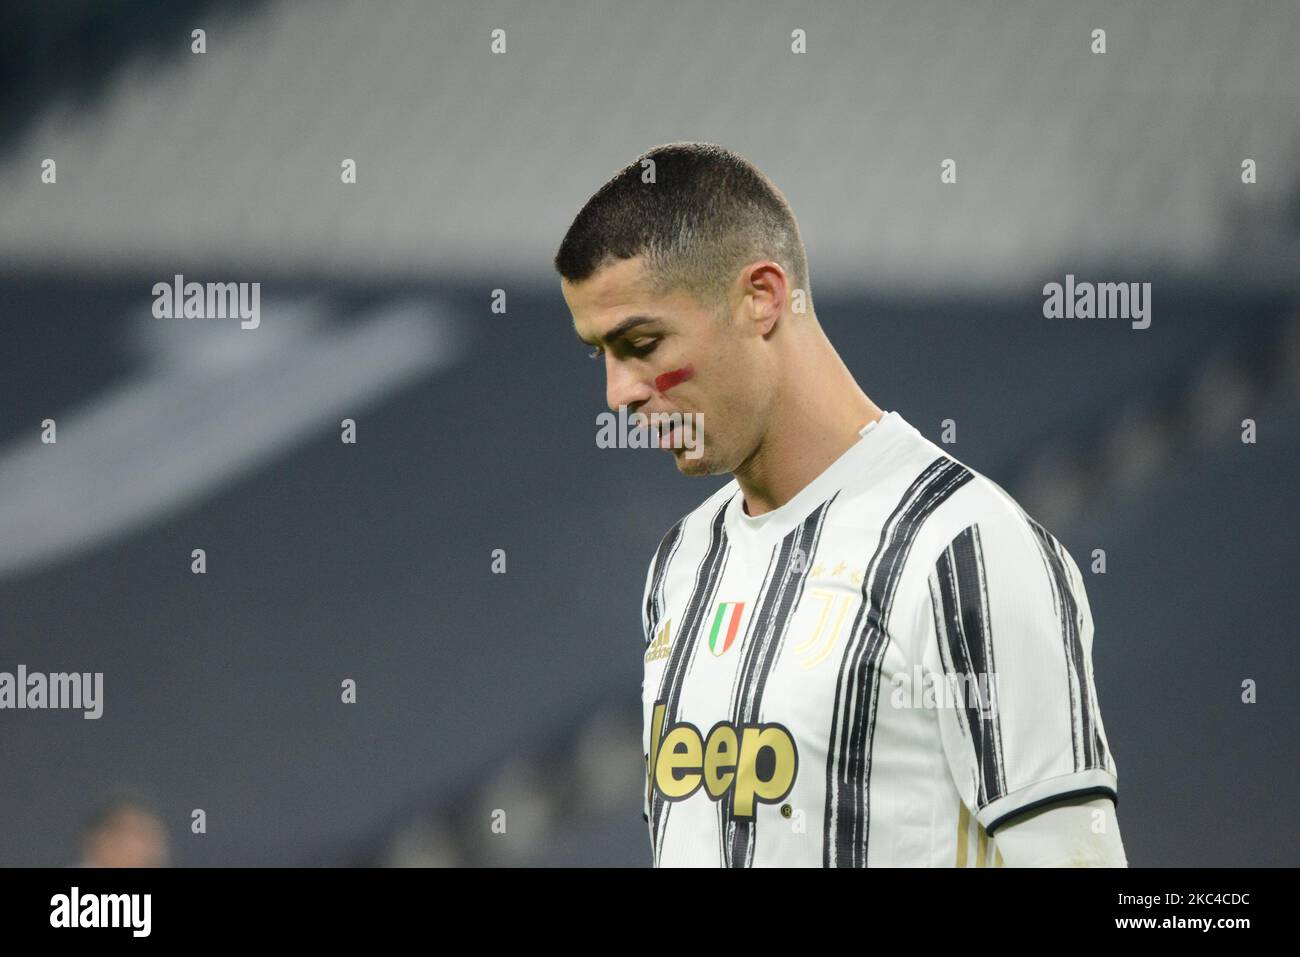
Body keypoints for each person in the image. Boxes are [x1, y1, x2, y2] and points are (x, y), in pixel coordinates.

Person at [554, 142, 1126, 867]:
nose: (618, 393)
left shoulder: (963, 549)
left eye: (640, 342)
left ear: (761, 297)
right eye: (599, 353)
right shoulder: (684, 561)